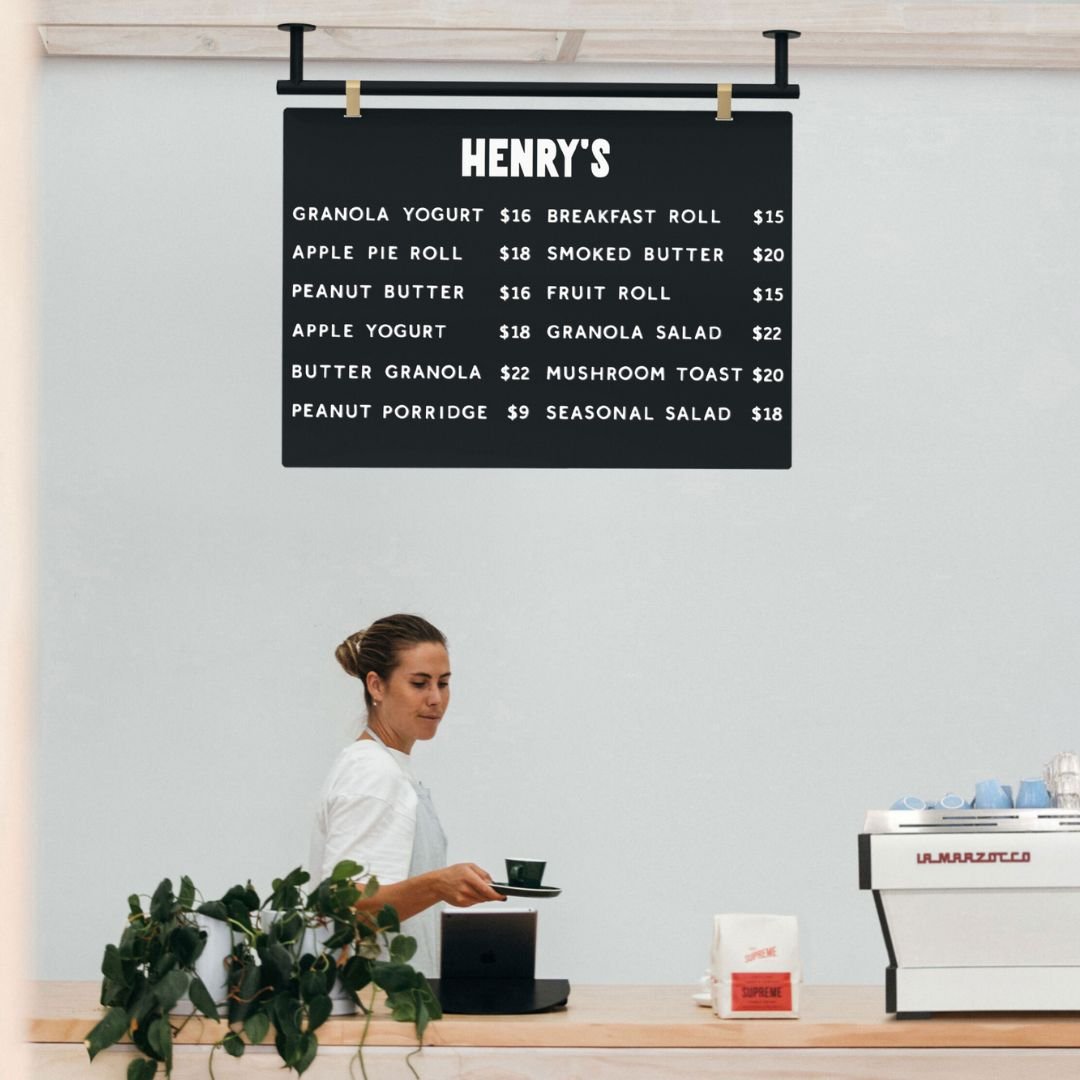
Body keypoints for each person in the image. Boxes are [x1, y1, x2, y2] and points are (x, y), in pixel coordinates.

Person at [308, 613, 504, 975]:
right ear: (376, 686)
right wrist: (437, 885)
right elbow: (342, 908)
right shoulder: (372, 772)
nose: (436, 699)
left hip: (391, 1009)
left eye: (443, 683)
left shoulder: (389, 768)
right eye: (419, 683)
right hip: (375, 1015)